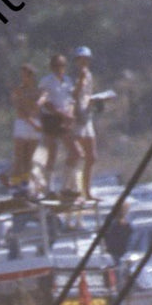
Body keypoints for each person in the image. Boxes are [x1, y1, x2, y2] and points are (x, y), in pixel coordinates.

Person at [38, 53, 80, 198]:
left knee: (75, 152)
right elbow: (45, 101)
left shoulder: (68, 81)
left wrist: (69, 114)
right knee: (53, 153)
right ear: (51, 67)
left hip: (65, 119)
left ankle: (65, 186)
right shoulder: (46, 81)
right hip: (51, 119)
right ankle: (49, 189)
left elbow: (71, 100)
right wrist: (60, 113)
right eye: (56, 66)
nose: (59, 69)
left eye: (62, 65)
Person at [9, 64, 43, 192]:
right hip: (23, 123)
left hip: (35, 123)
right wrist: (32, 123)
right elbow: (19, 109)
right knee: (19, 156)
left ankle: (25, 183)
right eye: (22, 75)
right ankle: (15, 184)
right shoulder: (18, 90)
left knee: (29, 157)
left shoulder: (38, 91)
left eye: (25, 75)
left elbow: (39, 104)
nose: (23, 78)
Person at [71, 46, 98, 201]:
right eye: (81, 59)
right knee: (78, 155)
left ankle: (87, 190)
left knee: (92, 156)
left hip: (87, 115)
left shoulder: (89, 75)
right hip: (77, 117)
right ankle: (76, 189)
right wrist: (80, 81)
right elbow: (73, 95)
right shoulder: (73, 76)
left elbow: (87, 95)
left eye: (86, 59)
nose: (84, 62)